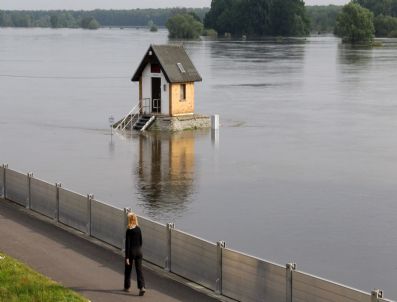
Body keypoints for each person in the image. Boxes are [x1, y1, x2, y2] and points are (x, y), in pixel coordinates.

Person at [124, 212, 146, 296]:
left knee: (128, 270)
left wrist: (127, 257)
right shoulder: (138, 229)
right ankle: (142, 287)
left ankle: (127, 287)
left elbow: (127, 245)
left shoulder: (129, 230)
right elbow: (141, 241)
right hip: (139, 251)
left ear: (129, 220)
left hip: (131, 252)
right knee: (139, 270)